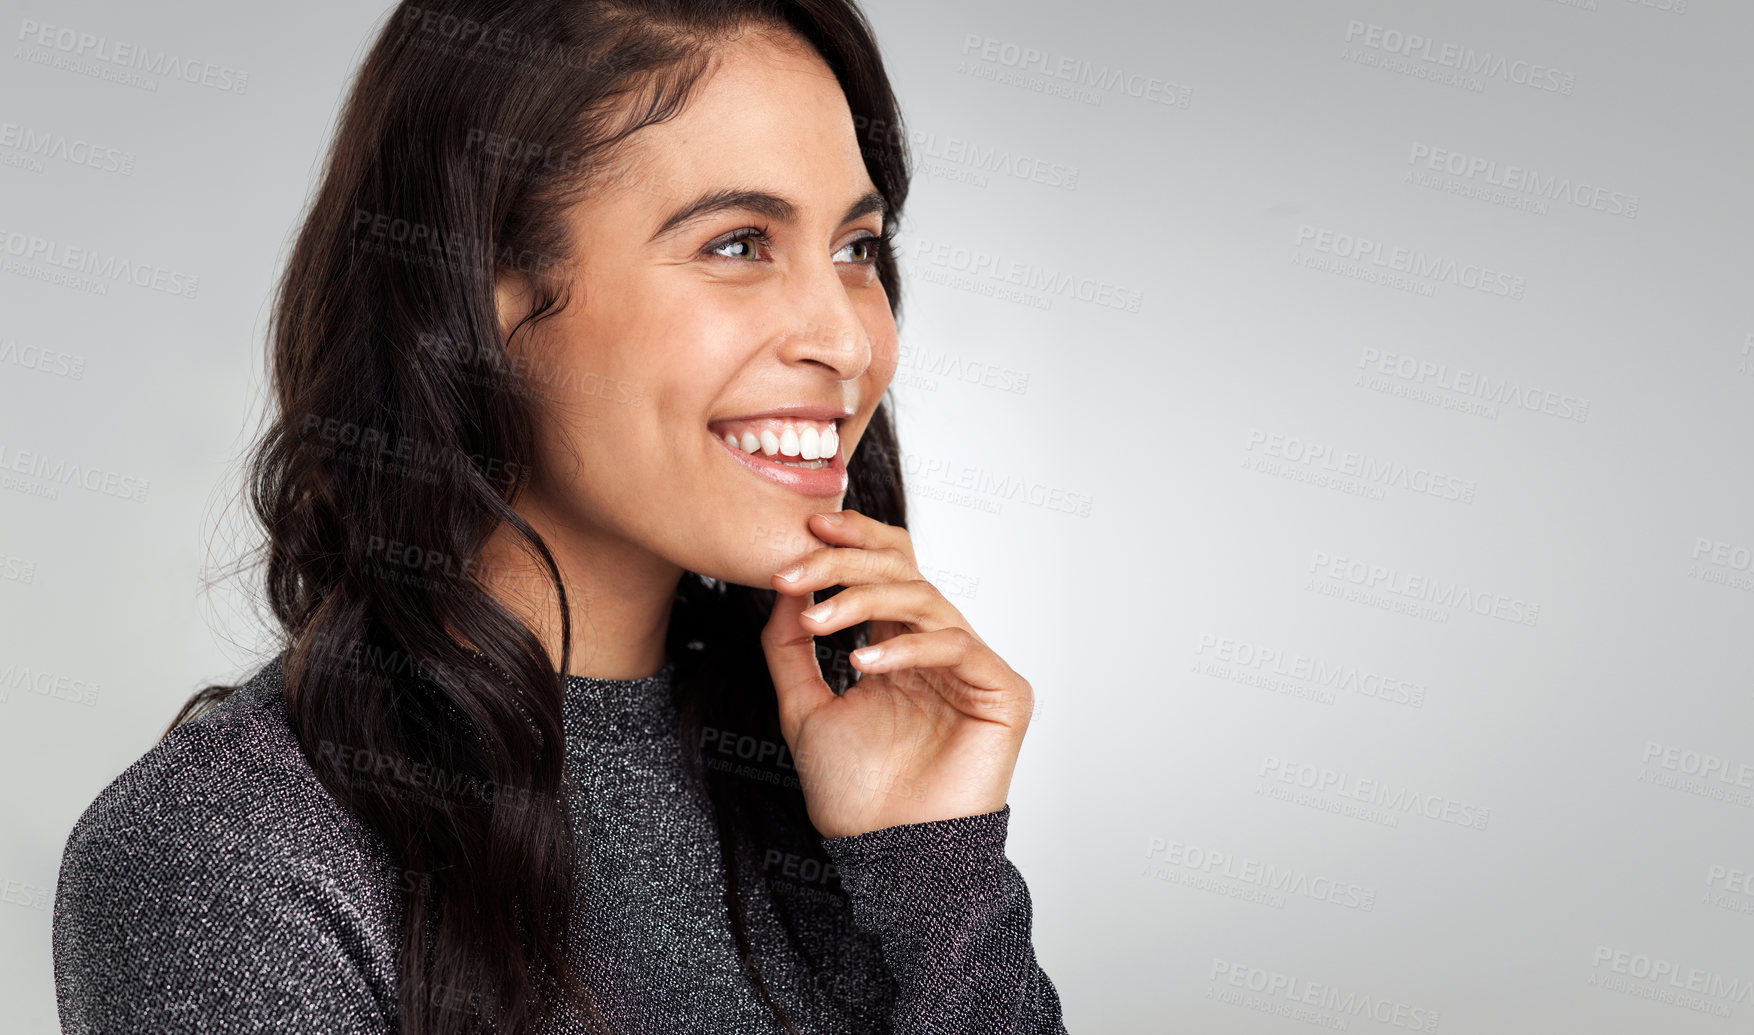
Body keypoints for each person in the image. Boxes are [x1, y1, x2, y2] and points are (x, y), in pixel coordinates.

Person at [48, 1, 1067, 1032]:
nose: (847, 341)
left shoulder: (843, 787)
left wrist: (932, 866)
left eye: (857, 247)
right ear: (477, 287)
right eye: (739, 243)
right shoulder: (232, 856)